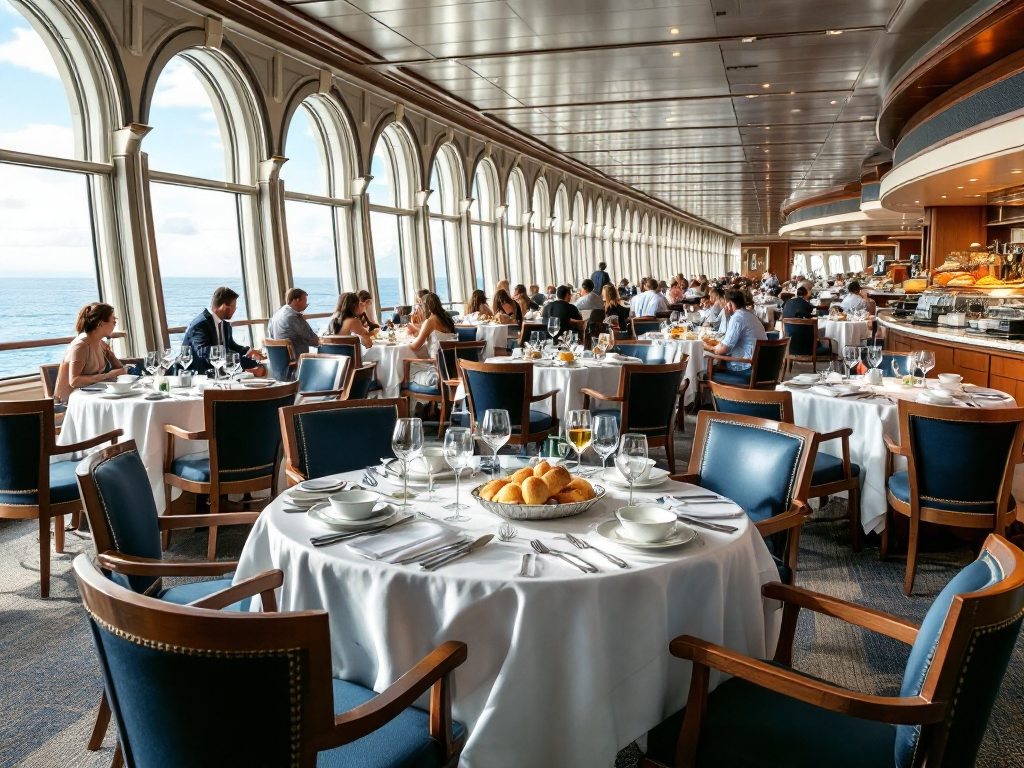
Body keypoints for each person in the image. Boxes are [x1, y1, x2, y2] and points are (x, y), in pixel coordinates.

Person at [54, 302, 128, 404]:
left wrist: (111, 356)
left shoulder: (101, 343)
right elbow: (74, 381)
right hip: (68, 403)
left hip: (93, 396)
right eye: (113, 320)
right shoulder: (81, 346)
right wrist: (106, 376)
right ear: (100, 323)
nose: (115, 323)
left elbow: (121, 371)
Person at [182, 287, 265, 376]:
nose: (235, 310)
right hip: (200, 376)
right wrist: (250, 362)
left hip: (220, 374)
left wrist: (248, 351)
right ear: (224, 307)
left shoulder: (224, 324)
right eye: (234, 306)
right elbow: (202, 352)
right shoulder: (200, 325)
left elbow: (231, 345)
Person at [710, 289, 767, 373]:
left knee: (710, 361)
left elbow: (723, 349)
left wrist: (710, 348)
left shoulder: (737, 318)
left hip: (747, 366)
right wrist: (728, 317)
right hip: (763, 365)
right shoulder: (750, 314)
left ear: (729, 304)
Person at [268, 287, 320, 357]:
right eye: (305, 301)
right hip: (298, 359)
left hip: (280, 358)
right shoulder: (293, 318)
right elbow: (313, 340)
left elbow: (271, 336)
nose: (306, 304)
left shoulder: (276, 315)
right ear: (297, 301)